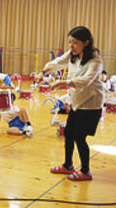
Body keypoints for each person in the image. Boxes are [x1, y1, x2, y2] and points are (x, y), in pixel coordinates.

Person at [36, 26, 103, 181]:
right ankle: (68, 165)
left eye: (75, 42)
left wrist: (62, 82)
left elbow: (85, 81)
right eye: (70, 42)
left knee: (80, 137)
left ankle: (86, 171)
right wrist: (44, 72)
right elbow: (58, 62)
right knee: (69, 134)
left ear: (86, 43)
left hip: (91, 105)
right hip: (77, 103)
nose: (71, 46)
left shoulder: (95, 60)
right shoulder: (73, 55)